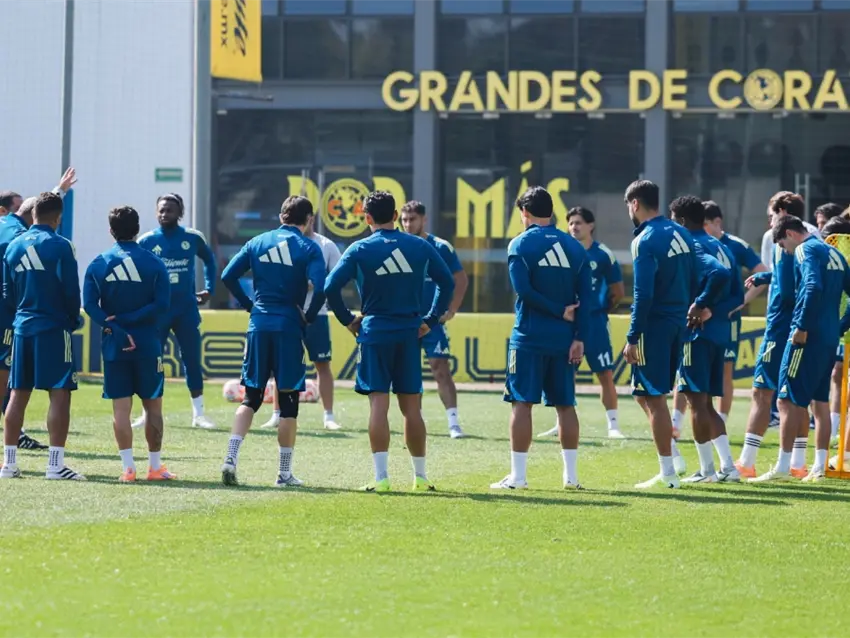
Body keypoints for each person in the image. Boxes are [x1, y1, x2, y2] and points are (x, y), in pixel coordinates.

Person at [324, 191, 454, 493]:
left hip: (374, 332)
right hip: (409, 332)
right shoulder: (419, 246)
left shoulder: (360, 249)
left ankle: (382, 478)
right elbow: (447, 282)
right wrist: (431, 319)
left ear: (367, 218)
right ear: (395, 216)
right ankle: (420, 477)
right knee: (412, 407)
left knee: (378, 405)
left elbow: (330, 287)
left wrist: (348, 320)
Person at [219, 196, 326, 487]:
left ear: (281, 216)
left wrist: (249, 305)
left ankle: (230, 458)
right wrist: (309, 316)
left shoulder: (257, 241)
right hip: (288, 327)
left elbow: (228, 275)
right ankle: (283, 473)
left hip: (259, 324)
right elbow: (321, 288)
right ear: (309, 220)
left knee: (251, 398)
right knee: (289, 404)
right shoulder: (309, 247)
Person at [489, 188, 592, 490]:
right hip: (564, 339)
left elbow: (523, 291)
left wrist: (558, 310)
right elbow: (587, 298)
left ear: (525, 212)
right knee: (565, 404)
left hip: (529, 337)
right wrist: (580, 337)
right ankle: (571, 478)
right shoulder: (575, 247)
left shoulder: (520, 244)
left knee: (522, 403)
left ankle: (518, 477)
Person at [751, 215, 850, 483]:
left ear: (790, 234)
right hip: (828, 338)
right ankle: (819, 467)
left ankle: (784, 467)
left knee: (786, 399)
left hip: (807, 337)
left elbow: (812, 285)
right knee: (819, 401)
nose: (784, 251)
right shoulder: (834, 253)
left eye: (782, 245)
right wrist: (840, 326)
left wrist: (802, 326)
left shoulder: (805, 250)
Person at [623, 181, 707, 489]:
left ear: (634, 203)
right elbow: (697, 275)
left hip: (654, 325)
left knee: (653, 398)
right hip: (679, 323)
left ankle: (669, 473)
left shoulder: (644, 239)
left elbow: (642, 294)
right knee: (644, 394)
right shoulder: (682, 232)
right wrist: (696, 306)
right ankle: (674, 458)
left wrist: (633, 336)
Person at [83, 206, 174, 482]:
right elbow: (162, 304)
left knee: (121, 409)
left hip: (115, 343)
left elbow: (89, 305)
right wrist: (131, 319)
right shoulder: (154, 263)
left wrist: (114, 324)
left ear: (111, 230)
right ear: (137, 229)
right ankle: (155, 467)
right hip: (147, 343)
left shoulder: (99, 262)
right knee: (153, 407)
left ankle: (128, 469)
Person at [0, 192, 83, 480]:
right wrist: (73, 319)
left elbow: (7, 293)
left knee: (17, 393)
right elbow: (71, 290)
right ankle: (55, 465)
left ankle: (9, 464)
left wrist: (23, 313)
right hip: (53, 327)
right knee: (60, 392)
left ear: (32, 214)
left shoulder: (14, 245)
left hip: (22, 327)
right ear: (58, 218)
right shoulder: (61, 245)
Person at [735, 192, 812, 479]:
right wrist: (767, 277)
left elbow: (795, 287)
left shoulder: (785, 240)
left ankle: (747, 461)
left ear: (782, 213)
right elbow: (791, 277)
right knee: (796, 396)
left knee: (762, 392)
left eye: (771, 216)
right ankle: (797, 464)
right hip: (796, 326)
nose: (769, 223)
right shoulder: (808, 238)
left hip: (781, 326)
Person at [537, 206, 624, 440]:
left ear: (590, 225)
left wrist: (600, 310)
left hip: (595, 323)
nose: (574, 227)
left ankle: (613, 425)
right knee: (564, 374)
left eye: (578, 223)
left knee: (604, 373)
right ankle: (560, 423)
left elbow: (617, 291)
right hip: (568, 323)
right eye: (571, 223)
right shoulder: (563, 251)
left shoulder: (603, 254)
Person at [134, 193, 217, 429]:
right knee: (152, 361)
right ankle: (146, 414)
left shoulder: (192, 237)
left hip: (186, 310)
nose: (164, 214)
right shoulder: (146, 240)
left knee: (191, 360)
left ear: (179, 213)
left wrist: (209, 289)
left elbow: (210, 261)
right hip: (158, 312)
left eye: (169, 210)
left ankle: (199, 415)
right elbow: (135, 269)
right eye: (161, 210)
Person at [669, 196, 736, 483]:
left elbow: (719, 274)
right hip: (719, 332)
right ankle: (729, 467)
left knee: (696, 401)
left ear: (682, 221)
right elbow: (737, 294)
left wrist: (701, 304)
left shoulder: (692, 245)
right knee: (706, 404)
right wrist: (714, 310)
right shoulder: (722, 246)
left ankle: (707, 471)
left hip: (697, 335)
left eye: (673, 220)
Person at [261, 213, 343, 431]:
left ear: (310, 219)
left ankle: (328, 415)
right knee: (282, 364)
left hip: (317, 314)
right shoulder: (283, 243)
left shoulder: (326, 245)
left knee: (322, 364)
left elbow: (338, 276)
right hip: (288, 313)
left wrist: (317, 283)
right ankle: (277, 414)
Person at [399, 200, 469, 439]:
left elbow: (460, 279)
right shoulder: (399, 245)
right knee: (409, 373)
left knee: (440, 368)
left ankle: (453, 423)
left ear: (424, 220)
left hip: (433, 321)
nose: (408, 224)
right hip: (406, 320)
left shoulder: (441, 246)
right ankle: (415, 422)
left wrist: (452, 309)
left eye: (413, 219)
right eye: (404, 220)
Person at [701, 200, 768, 424]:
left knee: (725, 369)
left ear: (717, 222)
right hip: (699, 315)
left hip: (727, 318)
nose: (701, 228)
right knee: (691, 367)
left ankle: (720, 423)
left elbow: (762, 273)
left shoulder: (736, 245)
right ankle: (678, 423)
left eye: (705, 223)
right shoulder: (697, 243)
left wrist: (742, 303)